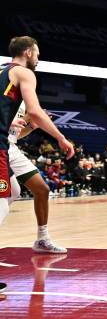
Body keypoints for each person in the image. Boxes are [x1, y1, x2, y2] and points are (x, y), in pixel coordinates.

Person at [0, 36, 75, 292]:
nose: (39, 59)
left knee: (24, 190)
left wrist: (24, 126)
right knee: (1, 203)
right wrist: (61, 137)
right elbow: (34, 111)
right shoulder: (24, 75)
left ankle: (42, 238)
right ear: (29, 52)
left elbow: (23, 126)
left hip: (8, 145)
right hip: (1, 146)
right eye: (38, 54)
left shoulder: (5, 75)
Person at [7, 104, 68, 252]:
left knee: (42, 190)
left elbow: (15, 135)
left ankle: (42, 239)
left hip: (10, 147)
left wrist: (32, 126)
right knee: (12, 192)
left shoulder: (22, 100)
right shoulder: (5, 93)